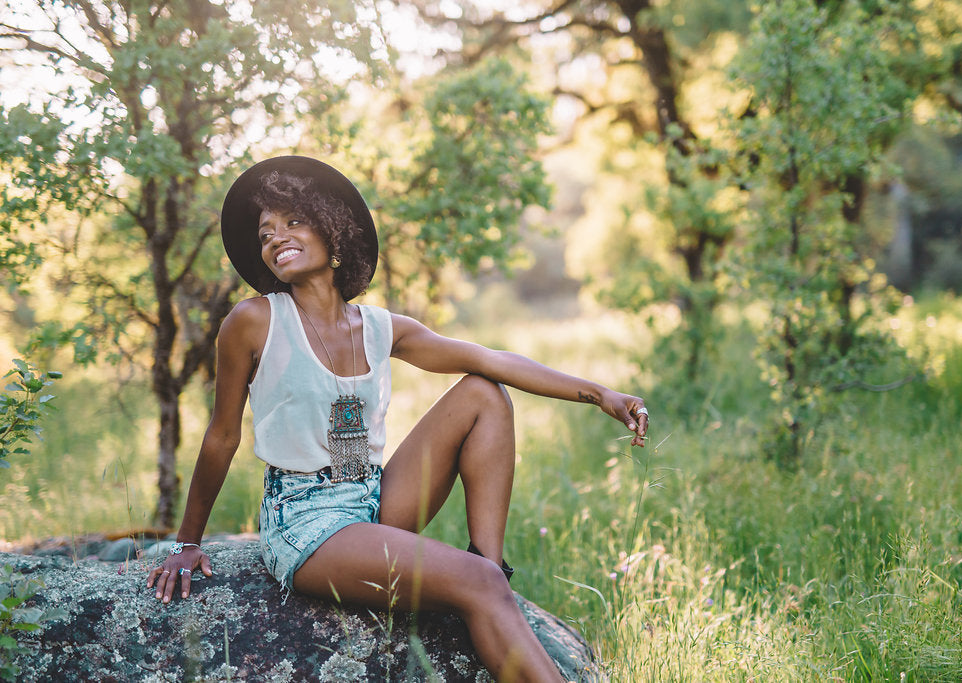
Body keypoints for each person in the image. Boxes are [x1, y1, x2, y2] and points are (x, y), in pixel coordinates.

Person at [146, 156, 649, 682]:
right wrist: (187, 542)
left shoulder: (382, 327)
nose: (276, 238)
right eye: (266, 232)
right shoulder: (254, 321)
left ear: (331, 229)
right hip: (307, 521)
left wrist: (599, 394)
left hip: (372, 496)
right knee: (474, 582)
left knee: (483, 392)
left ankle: (489, 568)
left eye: (293, 222)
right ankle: (481, 585)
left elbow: (491, 359)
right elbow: (222, 437)